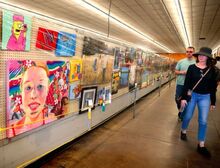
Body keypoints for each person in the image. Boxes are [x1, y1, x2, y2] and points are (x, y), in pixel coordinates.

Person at [180, 47, 217, 158]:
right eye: (200, 55)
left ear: (208, 57)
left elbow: (213, 87)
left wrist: (213, 101)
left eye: (204, 55)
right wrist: (184, 98)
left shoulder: (212, 70)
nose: (201, 57)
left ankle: (201, 144)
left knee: (203, 121)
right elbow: (187, 84)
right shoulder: (191, 68)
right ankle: (183, 130)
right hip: (193, 95)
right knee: (187, 116)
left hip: (205, 97)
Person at [8, 62, 55, 137]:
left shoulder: (52, 119)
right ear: (21, 92)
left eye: (40, 87)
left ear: (47, 91)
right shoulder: (12, 131)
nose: (33, 95)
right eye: (28, 87)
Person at [175, 47, 196, 120]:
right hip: (180, 84)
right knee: (178, 99)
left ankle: (182, 114)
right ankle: (180, 111)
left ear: (193, 53)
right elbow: (176, 71)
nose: (189, 53)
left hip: (190, 86)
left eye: (190, 51)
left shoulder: (196, 63)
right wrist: (183, 72)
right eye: (187, 51)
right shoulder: (181, 61)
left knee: (187, 100)